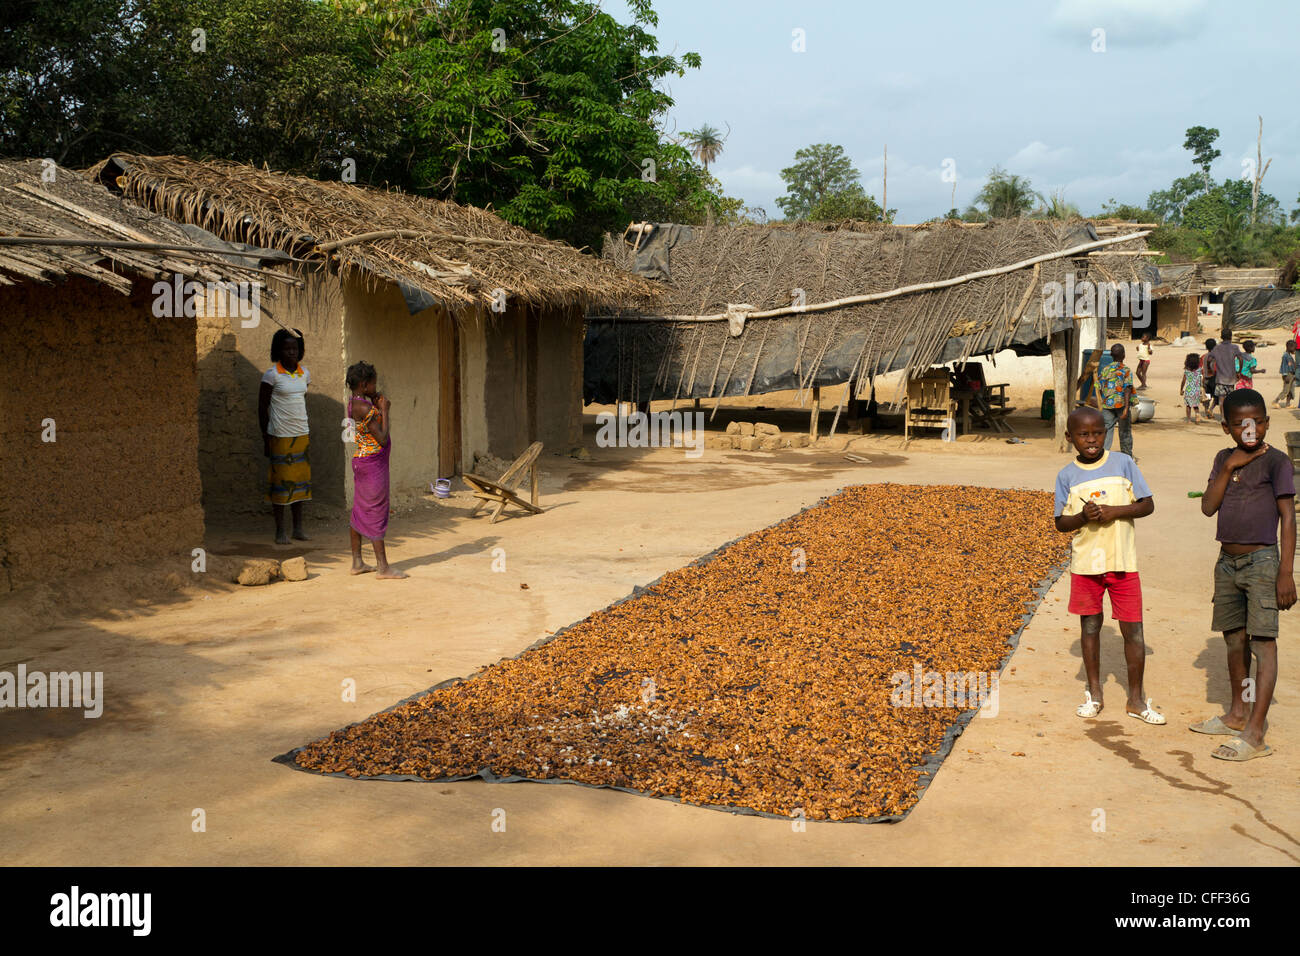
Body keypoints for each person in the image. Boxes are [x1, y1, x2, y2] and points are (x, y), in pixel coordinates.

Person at [1194, 389, 1296, 760]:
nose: (1249, 429)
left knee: (1262, 644)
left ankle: (1255, 734)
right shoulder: (1223, 458)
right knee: (1234, 640)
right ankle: (1237, 714)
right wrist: (1228, 467)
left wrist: (1286, 571)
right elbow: (1208, 507)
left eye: (1256, 422)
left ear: (1266, 423)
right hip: (1227, 562)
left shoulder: (1278, 463)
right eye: (1240, 424)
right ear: (1227, 427)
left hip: (1263, 563)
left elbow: (1288, 517)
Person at [1054, 407, 1163, 724]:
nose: (1091, 440)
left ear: (1106, 433)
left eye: (1097, 433)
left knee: (1134, 631)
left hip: (1122, 563)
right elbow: (1061, 523)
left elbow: (1147, 504)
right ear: (1070, 437)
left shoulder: (1123, 464)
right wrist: (1082, 517)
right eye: (1083, 435)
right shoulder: (1066, 476)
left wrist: (1114, 511)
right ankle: (1094, 693)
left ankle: (1136, 699)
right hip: (1086, 565)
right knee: (1090, 628)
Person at [346, 361, 407, 580]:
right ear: (364, 385)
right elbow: (381, 439)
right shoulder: (365, 408)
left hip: (362, 462)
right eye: (373, 384)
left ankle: (357, 562)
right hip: (372, 465)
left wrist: (375, 404)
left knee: (360, 510)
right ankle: (383, 567)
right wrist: (384, 410)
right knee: (375, 511)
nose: (376, 387)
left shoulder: (355, 403)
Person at [260, 328, 311, 544]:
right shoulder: (271, 376)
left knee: (300, 485)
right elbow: (262, 408)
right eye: (287, 348)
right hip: (280, 436)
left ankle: (297, 529)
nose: (291, 352)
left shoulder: (304, 374)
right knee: (281, 486)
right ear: (278, 350)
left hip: (301, 435)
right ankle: (280, 531)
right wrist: (265, 438)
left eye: (295, 348)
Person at [1096, 343, 1135, 458]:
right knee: (1125, 431)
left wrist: (1104, 401)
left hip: (1107, 405)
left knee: (1106, 429)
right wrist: (1126, 408)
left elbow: (1099, 387)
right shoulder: (1126, 370)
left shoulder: (1105, 370)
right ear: (1124, 355)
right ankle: (1127, 456)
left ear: (1111, 355)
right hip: (1122, 405)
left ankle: (1103, 456)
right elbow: (1127, 389)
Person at [1208, 332, 1245, 420]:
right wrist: (1239, 371)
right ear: (1231, 337)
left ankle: (1223, 418)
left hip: (1220, 378)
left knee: (1221, 400)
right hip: (1231, 378)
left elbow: (1210, 360)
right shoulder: (1234, 347)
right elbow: (1240, 358)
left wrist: (1213, 371)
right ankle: (1229, 416)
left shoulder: (1217, 348)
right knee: (1230, 399)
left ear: (1221, 337)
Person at [1180, 352, 1204, 424]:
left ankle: (1189, 419)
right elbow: (1203, 378)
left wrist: (1181, 389)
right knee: (1195, 405)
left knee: (1188, 406)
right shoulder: (1199, 370)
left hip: (1188, 391)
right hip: (1197, 391)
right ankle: (1197, 415)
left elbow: (1183, 381)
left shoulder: (1186, 371)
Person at [1274, 339, 1297, 408]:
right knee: (1286, 390)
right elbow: (1284, 366)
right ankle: (1275, 401)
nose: (1295, 350)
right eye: (1294, 348)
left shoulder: (1290, 356)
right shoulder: (1285, 356)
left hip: (1292, 375)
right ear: (1289, 347)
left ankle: (1288, 404)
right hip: (1288, 375)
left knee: (1291, 390)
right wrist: (1285, 375)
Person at [1200, 338, 1217, 416]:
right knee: (1217, 396)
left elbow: (1200, 369)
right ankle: (1211, 409)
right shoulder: (1217, 357)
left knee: (1207, 395)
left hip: (1205, 379)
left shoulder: (1203, 357)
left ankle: (1206, 409)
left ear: (1206, 347)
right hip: (1214, 379)